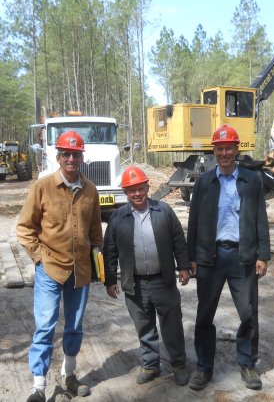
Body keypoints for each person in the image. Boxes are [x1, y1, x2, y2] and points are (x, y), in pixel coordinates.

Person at [16, 130, 103, 402]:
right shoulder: (42, 187)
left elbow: (95, 232)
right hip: (50, 270)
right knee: (45, 326)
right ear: (58, 156)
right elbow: (24, 228)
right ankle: (38, 385)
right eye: (66, 153)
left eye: (75, 154)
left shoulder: (90, 190)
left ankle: (70, 374)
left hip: (80, 271)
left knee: (74, 326)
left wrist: (100, 263)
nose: (71, 158)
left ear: (81, 157)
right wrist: (39, 257)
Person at [187, 124, 270, 391]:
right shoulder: (204, 182)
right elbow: (195, 221)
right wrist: (192, 257)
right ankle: (203, 368)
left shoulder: (251, 180)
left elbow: (260, 219)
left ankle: (247, 364)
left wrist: (263, 254)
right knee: (204, 315)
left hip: (242, 256)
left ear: (237, 149)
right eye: (219, 148)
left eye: (229, 148)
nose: (224, 153)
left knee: (248, 313)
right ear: (214, 151)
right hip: (210, 257)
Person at [103, 166, 191, 386]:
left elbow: (179, 241)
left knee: (172, 326)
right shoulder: (118, 217)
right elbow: (110, 250)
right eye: (131, 190)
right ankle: (151, 366)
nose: (137, 194)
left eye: (140, 188)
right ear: (126, 192)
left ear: (147, 187)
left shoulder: (164, 211)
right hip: (135, 284)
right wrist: (110, 280)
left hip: (164, 281)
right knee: (144, 327)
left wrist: (184, 267)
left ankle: (179, 364)